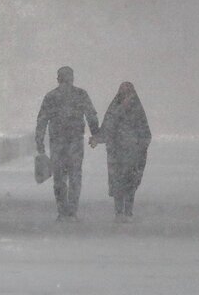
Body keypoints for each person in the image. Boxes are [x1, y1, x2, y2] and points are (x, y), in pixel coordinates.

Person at [36, 66, 100, 220]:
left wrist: (39, 141)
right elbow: (91, 115)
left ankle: (62, 210)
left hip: (57, 141)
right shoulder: (80, 95)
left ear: (58, 79)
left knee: (59, 177)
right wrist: (96, 134)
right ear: (72, 78)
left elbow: (42, 119)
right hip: (75, 141)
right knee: (75, 175)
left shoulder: (51, 96)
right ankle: (72, 211)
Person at [92, 82, 152, 222]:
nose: (126, 96)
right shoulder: (118, 109)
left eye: (128, 92)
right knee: (119, 182)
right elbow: (108, 127)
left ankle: (127, 212)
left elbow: (145, 134)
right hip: (119, 153)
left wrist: (139, 146)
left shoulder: (133, 110)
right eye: (124, 92)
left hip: (130, 154)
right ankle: (120, 212)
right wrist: (98, 138)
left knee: (129, 183)